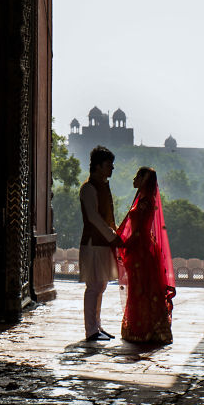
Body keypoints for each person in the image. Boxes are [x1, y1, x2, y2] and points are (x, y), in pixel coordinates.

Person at [116, 166, 176, 345]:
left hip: (141, 249)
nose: (134, 179)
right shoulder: (142, 200)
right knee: (140, 289)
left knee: (143, 290)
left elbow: (138, 231)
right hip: (140, 249)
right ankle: (143, 328)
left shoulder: (145, 202)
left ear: (144, 180)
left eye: (137, 177)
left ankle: (144, 329)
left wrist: (123, 242)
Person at [79, 145, 124, 341]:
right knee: (94, 286)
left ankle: (96, 326)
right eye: (108, 165)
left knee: (101, 286)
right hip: (93, 243)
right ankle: (91, 330)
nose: (111, 168)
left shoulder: (103, 186)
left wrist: (113, 236)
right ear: (97, 166)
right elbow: (94, 218)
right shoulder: (88, 188)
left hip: (103, 243)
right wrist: (113, 236)